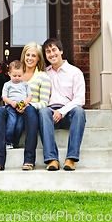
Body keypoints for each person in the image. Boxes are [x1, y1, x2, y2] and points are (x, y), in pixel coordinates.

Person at [0, 42, 51, 171]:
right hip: (12, 109)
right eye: (27, 55)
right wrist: (13, 104)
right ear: (23, 56)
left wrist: (26, 105)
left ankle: (29, 160)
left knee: (30, 110)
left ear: (38, 58)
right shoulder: (16, 73)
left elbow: (44, 103)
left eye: (33, 55)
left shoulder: (43, 77)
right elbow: (6, 96)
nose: (30, 58)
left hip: (29, 114)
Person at [38, 38, 86, 171]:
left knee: (79, 111)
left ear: (61, 51)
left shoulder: (75, 72)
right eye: (48, 52)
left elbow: (80, 99)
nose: (51, 54)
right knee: (43, 112)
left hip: (68, 113)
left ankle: (70, 159)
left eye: (54, 50)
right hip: (50, 114)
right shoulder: (43, 74)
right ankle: (52, 159)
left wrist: (62, 111)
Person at [2, 60, 32, 149]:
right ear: (9, 74)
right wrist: (11, 102)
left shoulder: (25, 85)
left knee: (19, 125)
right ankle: (8, 141)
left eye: (19, 75)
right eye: (14, 75)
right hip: (11, 107)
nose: (17, 78)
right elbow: (4, 97)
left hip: (22, 107)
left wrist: (26, 102)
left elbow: (30, 95)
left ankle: (15, 142)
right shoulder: (7, 85)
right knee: (12, 122)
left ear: (23, 74)